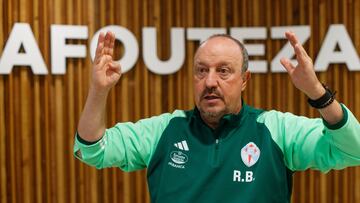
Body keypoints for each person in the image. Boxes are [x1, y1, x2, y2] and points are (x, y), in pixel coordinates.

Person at [74, 31, 360, 202]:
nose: (210, 81)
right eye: (201, 70)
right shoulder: (164, 130)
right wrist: (98, 90)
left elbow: (353, 150)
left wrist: (317, 93)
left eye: (223, 71)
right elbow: (92, 150)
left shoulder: (277, 130)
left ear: (244, 79)